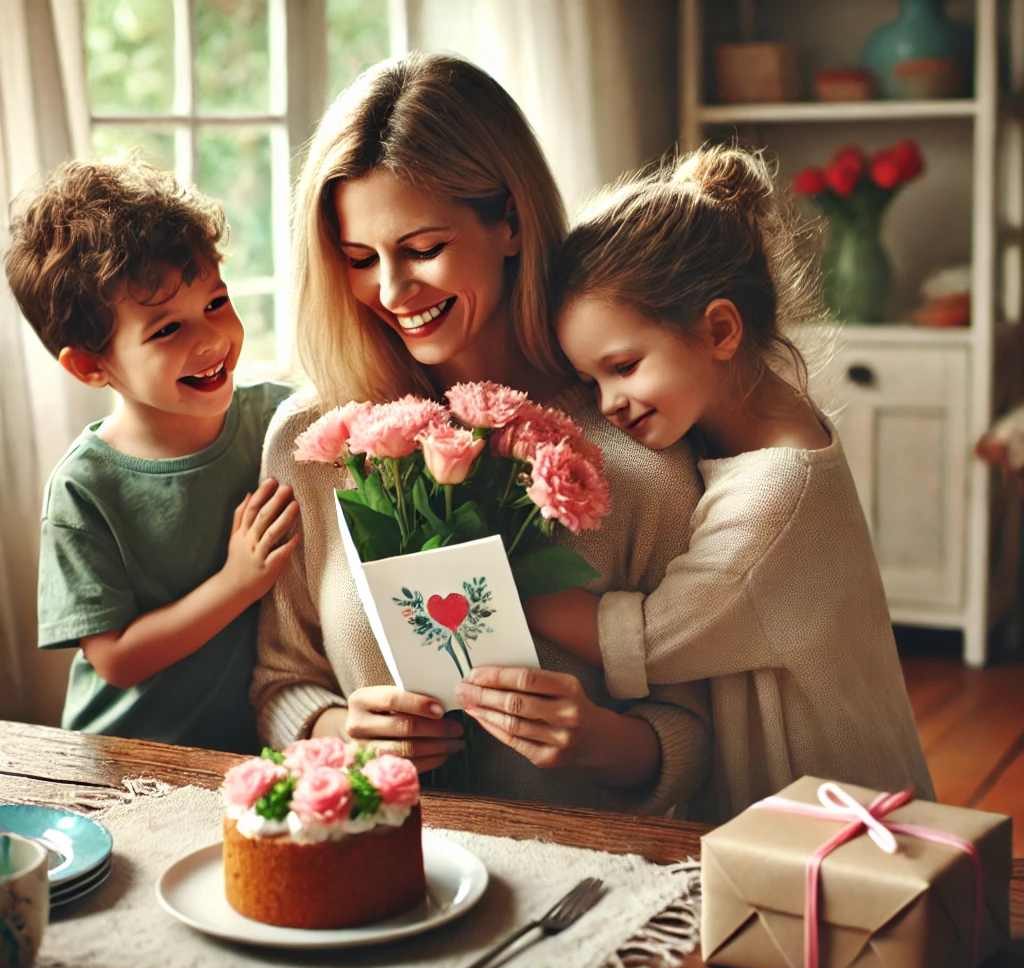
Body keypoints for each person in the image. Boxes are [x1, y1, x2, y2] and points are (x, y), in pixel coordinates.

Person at [251, 52, 710, 816]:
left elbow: (699, 732)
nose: (393, 292)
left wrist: (601, 741)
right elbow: (279, 684)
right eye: (361, 259)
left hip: (581, 886)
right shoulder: (313, 441)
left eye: (423, 248)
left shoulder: (641, 452)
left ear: (511, 220)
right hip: (376, 866)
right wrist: (338, 729)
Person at [526, 146, 935, 821]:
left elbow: (647, 638)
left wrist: (499, 582)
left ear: (719, 329)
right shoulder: (761, 420)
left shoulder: (778, 490)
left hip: (839, 817)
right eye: (591, 381)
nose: (608, 403)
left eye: (624, 366)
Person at [4, 156, 298, 753]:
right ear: (91, 365)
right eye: (166, 331)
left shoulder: (278, 419)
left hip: (247, 753)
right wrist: (237, 584)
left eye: (216, 302)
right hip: (127, 761)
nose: (213, 338)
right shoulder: (84, 488)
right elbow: (114, 660)